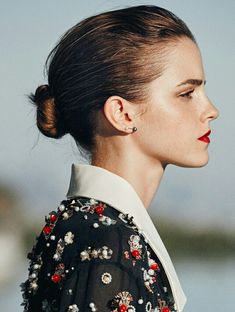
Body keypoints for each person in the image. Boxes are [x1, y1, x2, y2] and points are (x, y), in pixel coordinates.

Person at [20, 4, 219, 312]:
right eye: (186, 93)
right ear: (122, 113)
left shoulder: (84, 225)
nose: (211, 110)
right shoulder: (107, 241)